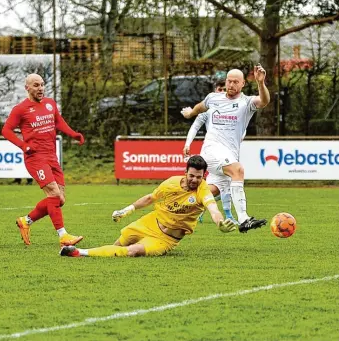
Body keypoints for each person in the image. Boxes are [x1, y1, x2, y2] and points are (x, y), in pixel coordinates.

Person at [60, 155, 237, 258]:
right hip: (150, 222)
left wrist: (219, 223)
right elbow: (150, 198)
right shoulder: (171, 183)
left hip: (166, 239)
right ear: (186, 172)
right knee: (118, 246)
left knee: (131, 252)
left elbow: (212, 207)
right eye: (192, 176)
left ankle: (78, 253)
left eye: (199, 177)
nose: (195, 180)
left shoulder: (202, 189)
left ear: (203, 176)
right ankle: (84, 253)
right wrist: (127, 210)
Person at [181, 64, 270, 233]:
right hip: (211, 149)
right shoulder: (214, 98)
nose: (231, 85)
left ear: (243, 84)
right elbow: (201, 106)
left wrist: (261, 83)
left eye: (235, 82)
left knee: (210, 192)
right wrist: (190, 113)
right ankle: (244, 219)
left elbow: (264, 101)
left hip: (228, 154)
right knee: (238, 170)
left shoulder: (246, 102)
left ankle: (177, 208)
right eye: (229, 81)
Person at [1, 73, 85, 246]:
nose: (41, 89)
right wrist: (24, 146)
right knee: (54, 194)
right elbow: (6, 130)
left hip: (51, 156)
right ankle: (63, 237)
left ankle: (26, 221)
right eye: (36, 85)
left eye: (42, 85)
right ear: (28, 88)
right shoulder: (21, 109)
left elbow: (59, 122)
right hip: (35, 158)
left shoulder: (50, 103)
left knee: (60, 199)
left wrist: (74, 134)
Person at [183, 79, 238, 224]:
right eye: (219, 89)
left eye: (223, 90)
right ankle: (229, 215)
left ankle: (194, 207)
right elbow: (195, 126)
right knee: (228, 180)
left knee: (215, 188)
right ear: (215, 91)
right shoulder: (209, 109)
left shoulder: (234, 108)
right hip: (213, 152)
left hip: (225, 151)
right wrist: (188, 143)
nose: (222, 92)